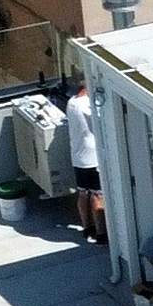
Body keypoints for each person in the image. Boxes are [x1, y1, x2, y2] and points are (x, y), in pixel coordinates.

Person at [65, 83, 103, 243]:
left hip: (78, 156)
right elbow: (102, 116)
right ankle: (101, 233)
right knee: (97, 194)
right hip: (92, 157)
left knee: (83, 192)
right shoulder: (86, 104)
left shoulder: (71, 102)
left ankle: (87, 227)